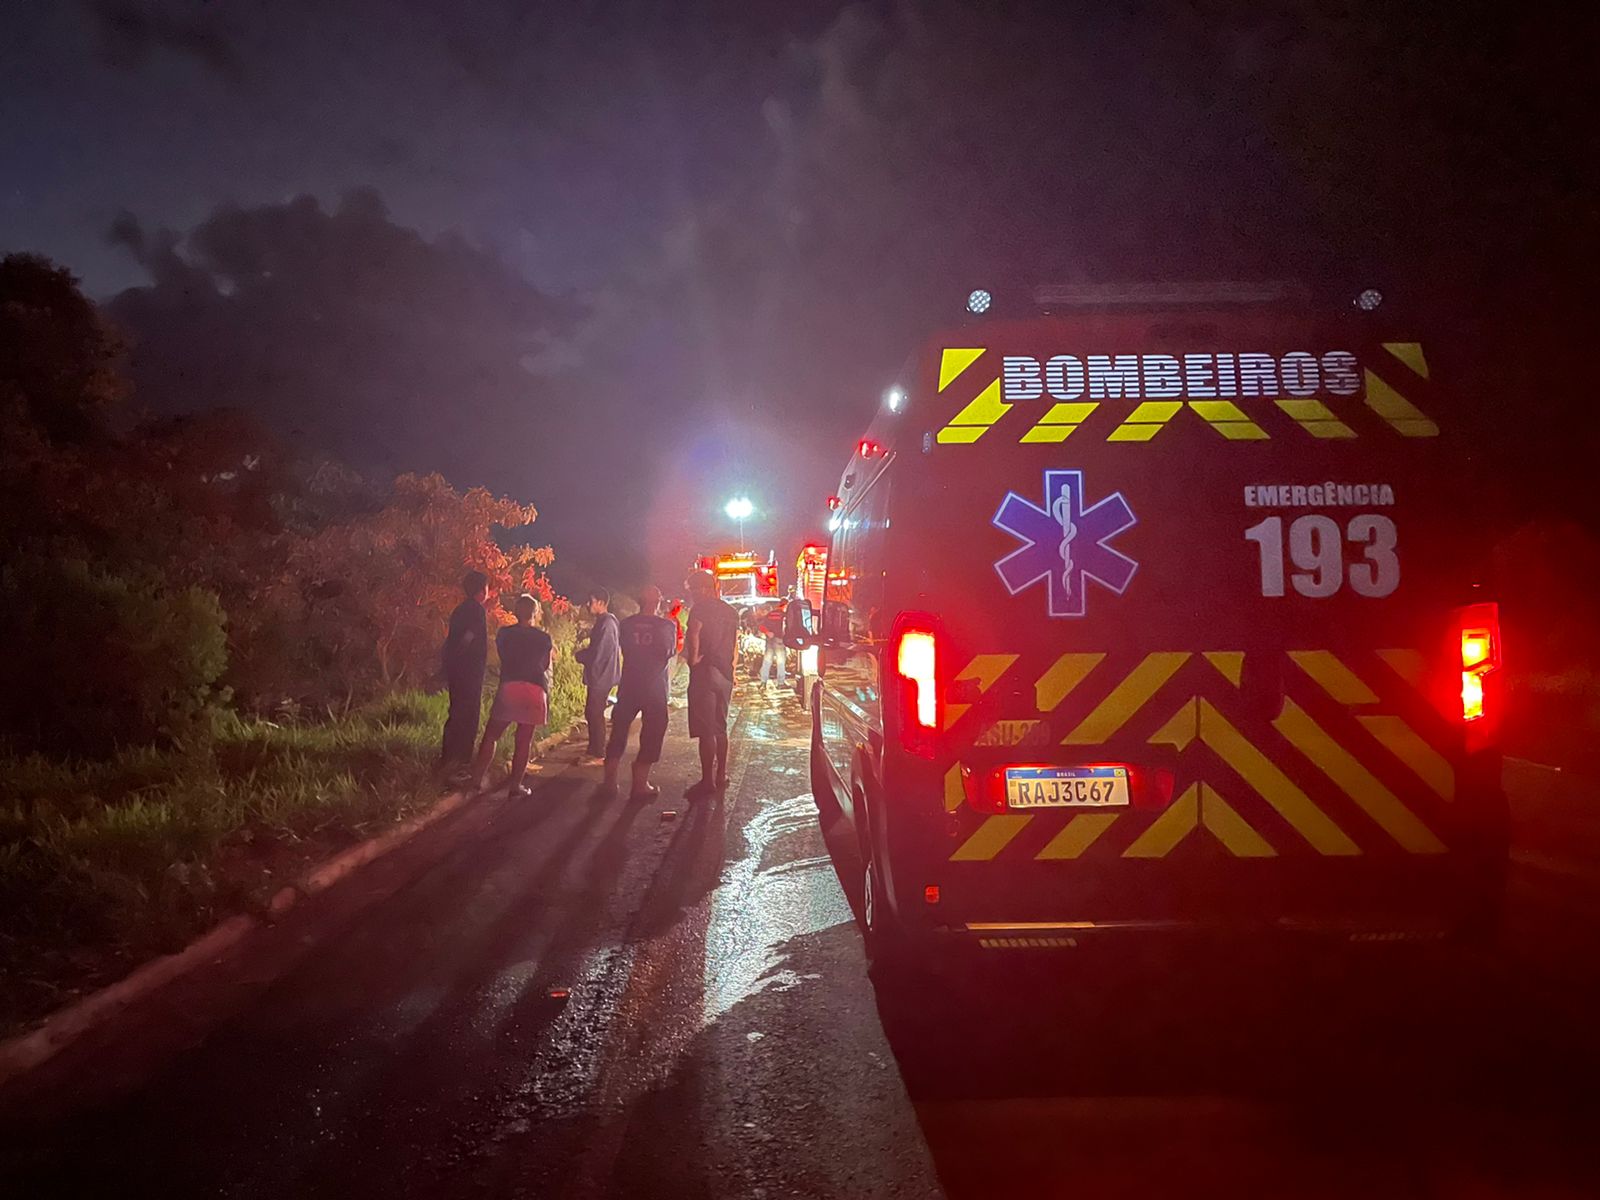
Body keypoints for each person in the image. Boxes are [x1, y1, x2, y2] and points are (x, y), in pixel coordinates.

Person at [468, 593, 555, 796]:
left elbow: (503, 656)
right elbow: (545, 665)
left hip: (510, 687)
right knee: (524, 741)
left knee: (491, 735)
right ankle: (515, 786)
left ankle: (477, 780)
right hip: (535, 690)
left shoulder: (504, 634)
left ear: (516, 612)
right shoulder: (544, 638)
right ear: (535, 613)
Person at [602, 585, 678, 800]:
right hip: (654, 687)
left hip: (629, 684)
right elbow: (669, 653)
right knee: (653, 731)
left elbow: (623, 647)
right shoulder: (666, 625)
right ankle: (640, 782)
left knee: (619, 730)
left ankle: (609, 780)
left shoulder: (626, 624)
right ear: (658, 601)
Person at [685, 568, 739, 793]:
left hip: (705, 673)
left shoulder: (700, 608)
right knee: (720, 726)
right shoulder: (730, 611)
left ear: (704, 588)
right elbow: (735, 643)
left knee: (706, 730)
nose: (692, 595)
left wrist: (693, 657)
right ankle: (721, 774)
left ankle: (707, 781)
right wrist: (733, 672)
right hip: (725, 673)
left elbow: (694, 631)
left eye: (694, 590)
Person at [440, 569, 491, 778]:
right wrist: (464, 658)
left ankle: (448, 758)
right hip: (469, 672)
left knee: (456, 712)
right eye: (487, 587)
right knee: (469, 716)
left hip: (456, 671)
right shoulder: (476, 610)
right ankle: (461, 764)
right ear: (481, 590)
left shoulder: (459, 610)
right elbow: (468, 637)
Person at [574, 587, 620, 759]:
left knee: (595, 712)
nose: (588, 605)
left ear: (601, 603)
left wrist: (581, 656)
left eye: (591, 601)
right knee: (592, 711)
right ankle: (594, 749)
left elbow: (599, 652)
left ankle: (598, 752)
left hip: (602, 675)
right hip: (601, 675)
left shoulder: (607, 623)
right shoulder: (606, 621)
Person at [757, 598, 788, 691]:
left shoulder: (770, 614)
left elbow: (761, 626)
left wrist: (768, 632)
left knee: (767, 661)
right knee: (781, 661)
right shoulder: (784, 615)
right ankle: (780, 683)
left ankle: (763, 683)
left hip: (769, 641)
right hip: (779, 641)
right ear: (785, 605)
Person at [667, 596, 691, 708]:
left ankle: (667, 692)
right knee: (671, 671)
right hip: (673, 649)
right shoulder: (673, 617)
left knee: (671, 671)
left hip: (674, 648)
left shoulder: (671, 617)